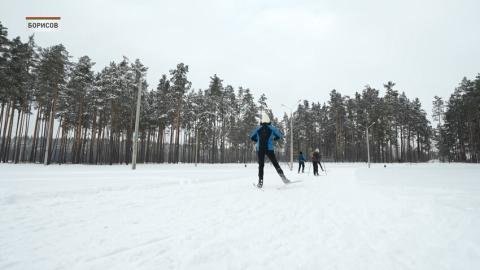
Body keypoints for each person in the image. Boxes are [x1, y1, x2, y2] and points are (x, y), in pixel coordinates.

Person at [250, 112, 289, 188]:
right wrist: (274, 138)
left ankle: (260, 182)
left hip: (260, 149)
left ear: (262, 121)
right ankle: (284, 178)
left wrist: (257, 140)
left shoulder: (258, 128)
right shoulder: (272, 128)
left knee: (261, 165)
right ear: (268, 121)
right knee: (275, 163)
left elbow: (252, 137)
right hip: (269, 149)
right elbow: (280, 135)